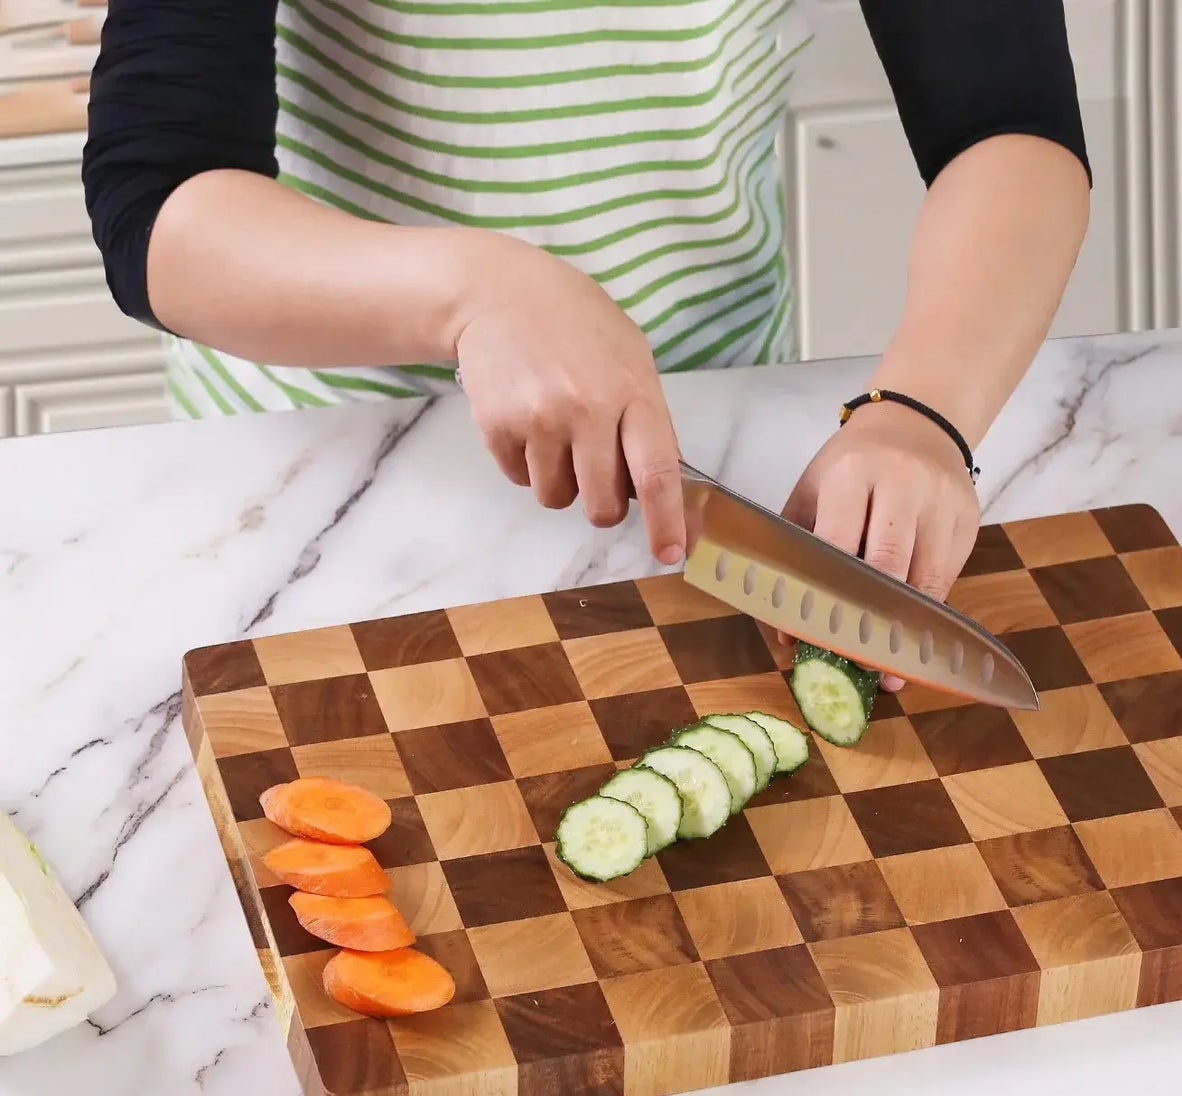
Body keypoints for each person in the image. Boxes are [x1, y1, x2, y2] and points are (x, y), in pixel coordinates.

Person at [84, 1, 1090, 686]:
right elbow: (159, 203)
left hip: (705, 445)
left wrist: (919, 415)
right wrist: (472, 292)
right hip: (324, 479)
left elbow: (1005, 121)